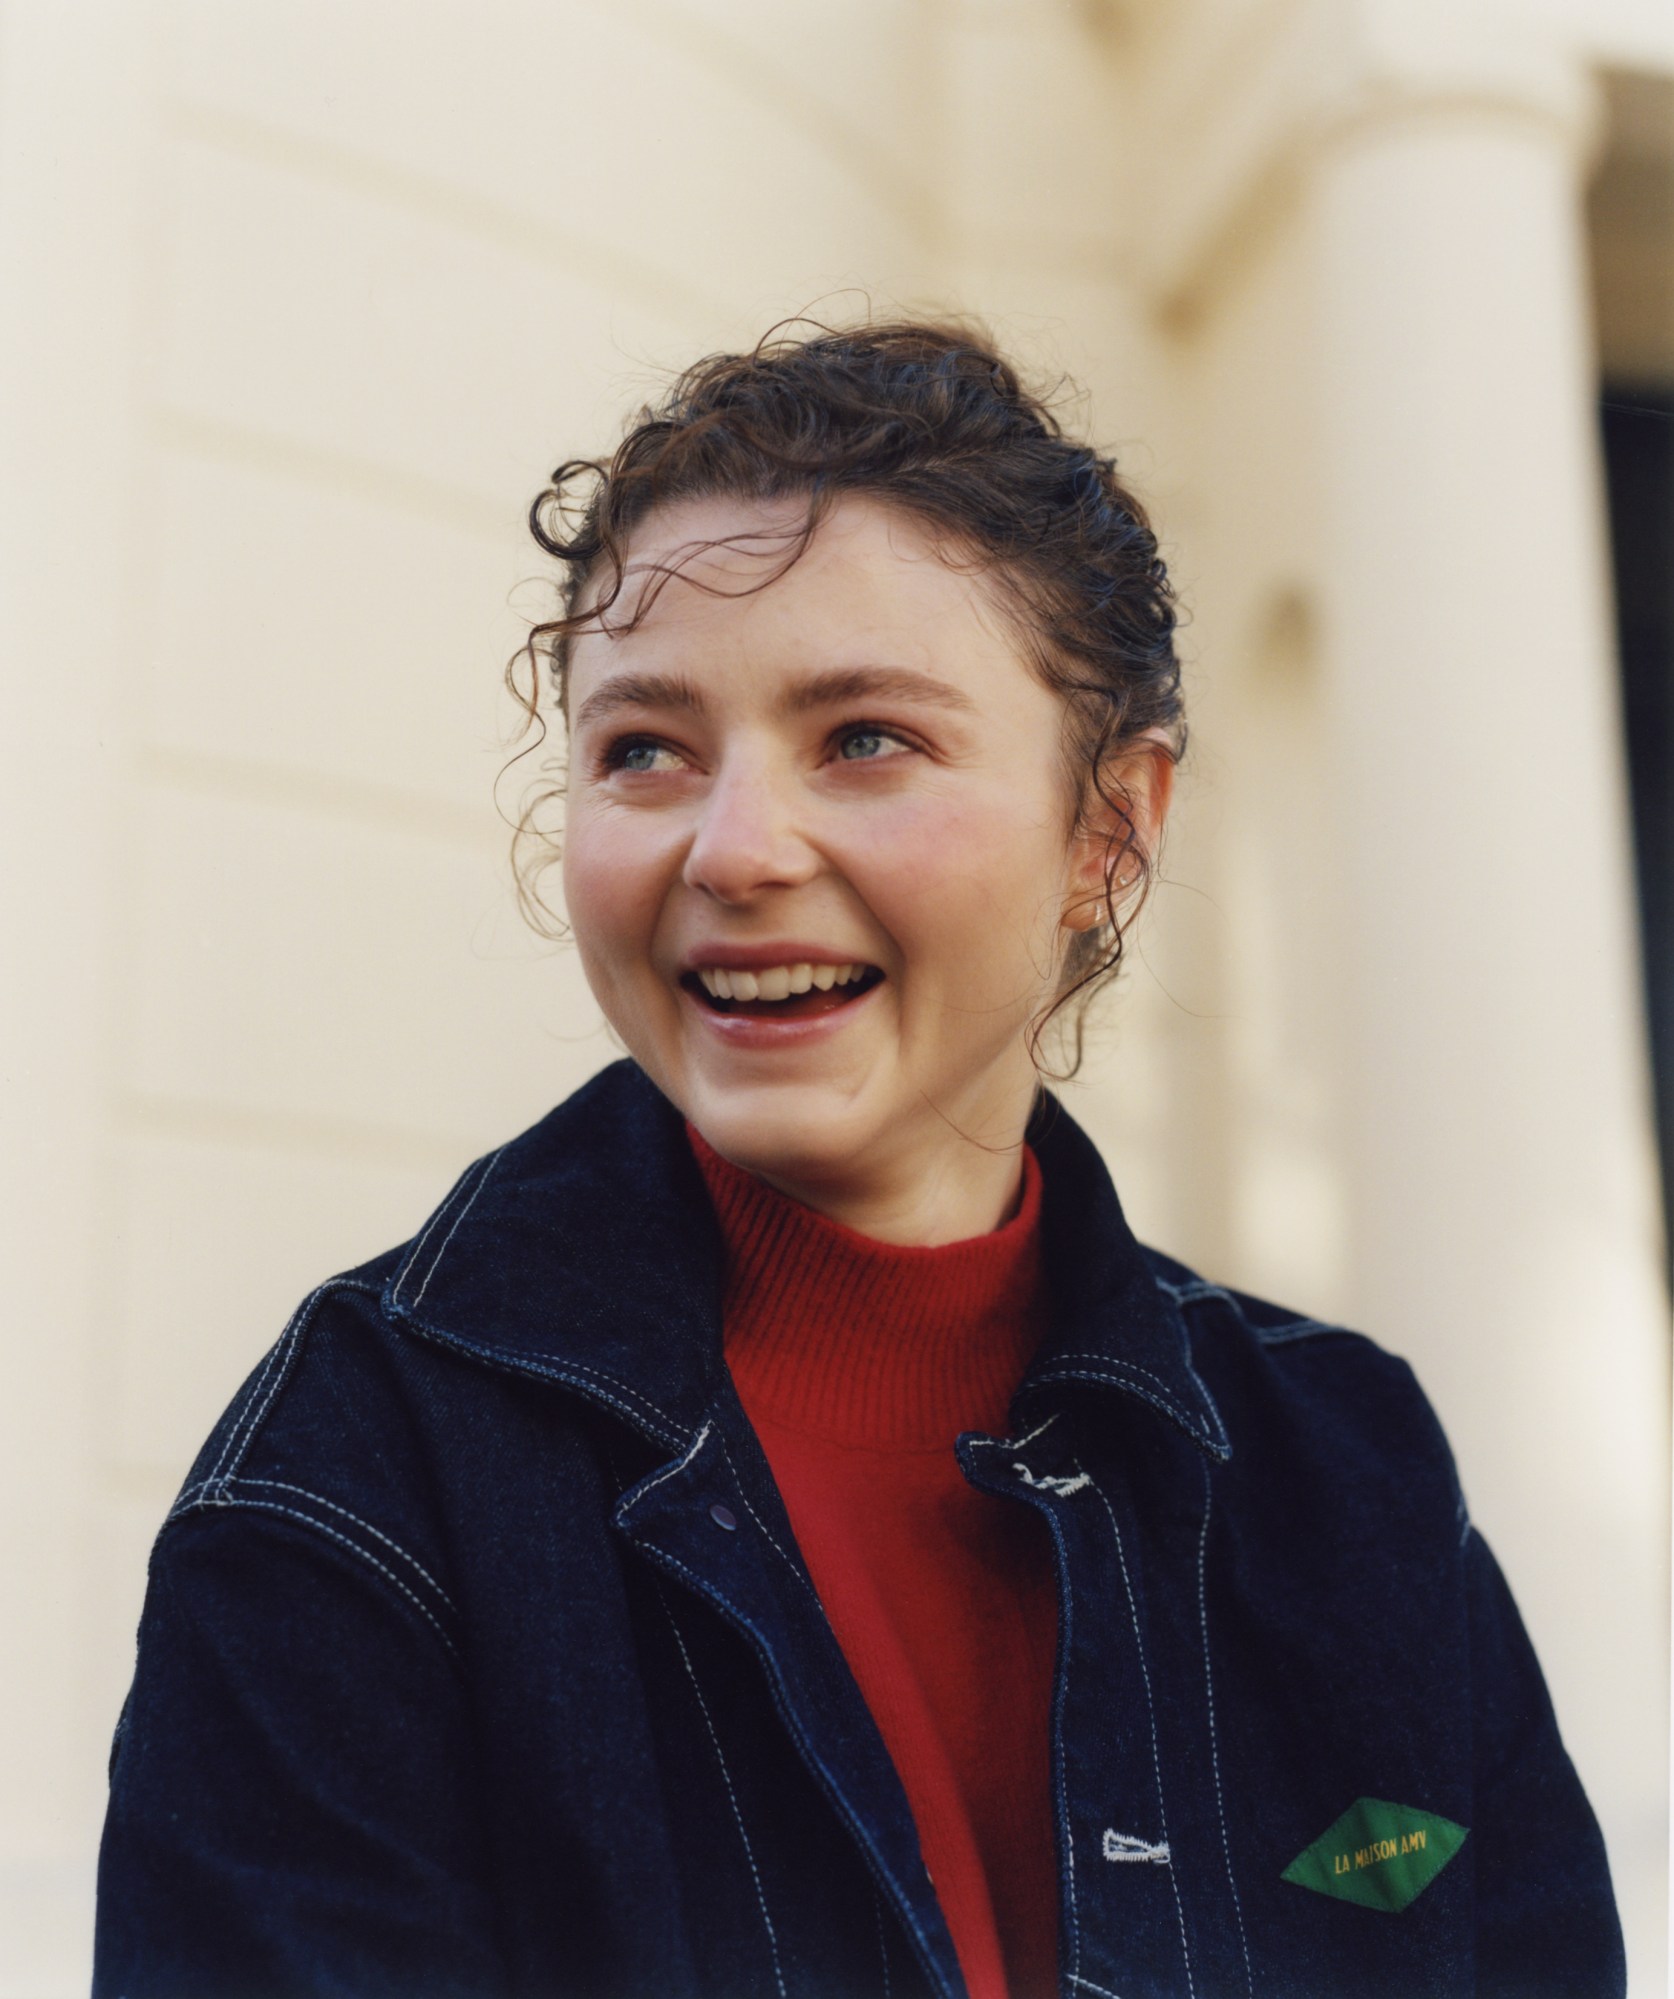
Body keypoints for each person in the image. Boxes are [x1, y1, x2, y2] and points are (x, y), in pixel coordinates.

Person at [93, 321, 1624, 1999]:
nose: (734, 849)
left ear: (1107, 832)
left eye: (865, 738)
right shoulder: (354, 1482)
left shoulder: (1349, 1466)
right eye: (643, 749)